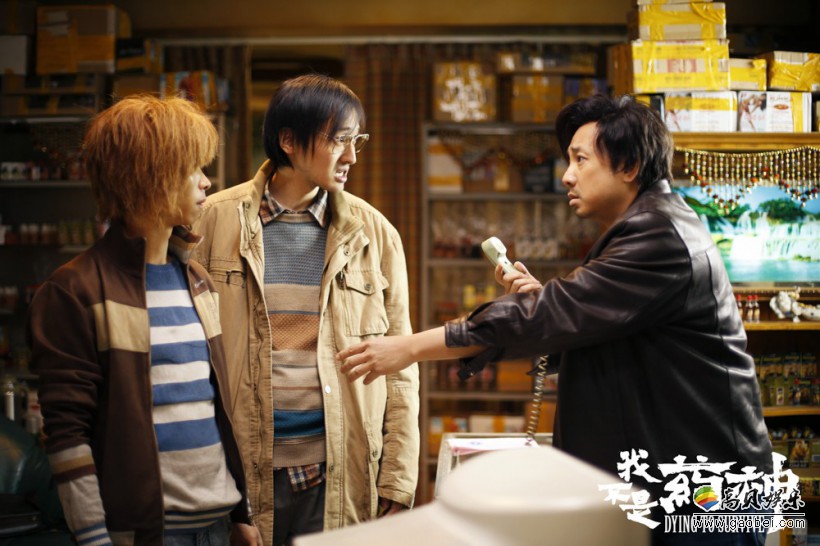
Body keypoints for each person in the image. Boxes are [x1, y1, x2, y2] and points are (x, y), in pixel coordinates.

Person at [337, 94, 773, 546]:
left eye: (580, 159)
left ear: (629, 166)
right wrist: (543, 303)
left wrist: (408, 347)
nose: (567, 175)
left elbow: (547, 314)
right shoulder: (648, 225)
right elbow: (591, 323)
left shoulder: (657, 234)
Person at [192, 74, 419, 546]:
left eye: (357, 141)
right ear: (289, 141)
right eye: (339, 140)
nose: (352, 156)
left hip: (335, 470)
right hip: (237, 474)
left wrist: (398, 477)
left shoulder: (375, 234)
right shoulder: (211, 221)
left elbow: (401, 368)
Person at [27, 96, 262, 546]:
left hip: (217, 527)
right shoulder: (74, 291)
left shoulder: (198, 280)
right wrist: (95, 540)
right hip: (146, 535)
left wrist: (240, 513)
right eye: (192, 169)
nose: (206, 181)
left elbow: (214, 409)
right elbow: (67, 437)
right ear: (149, 176)